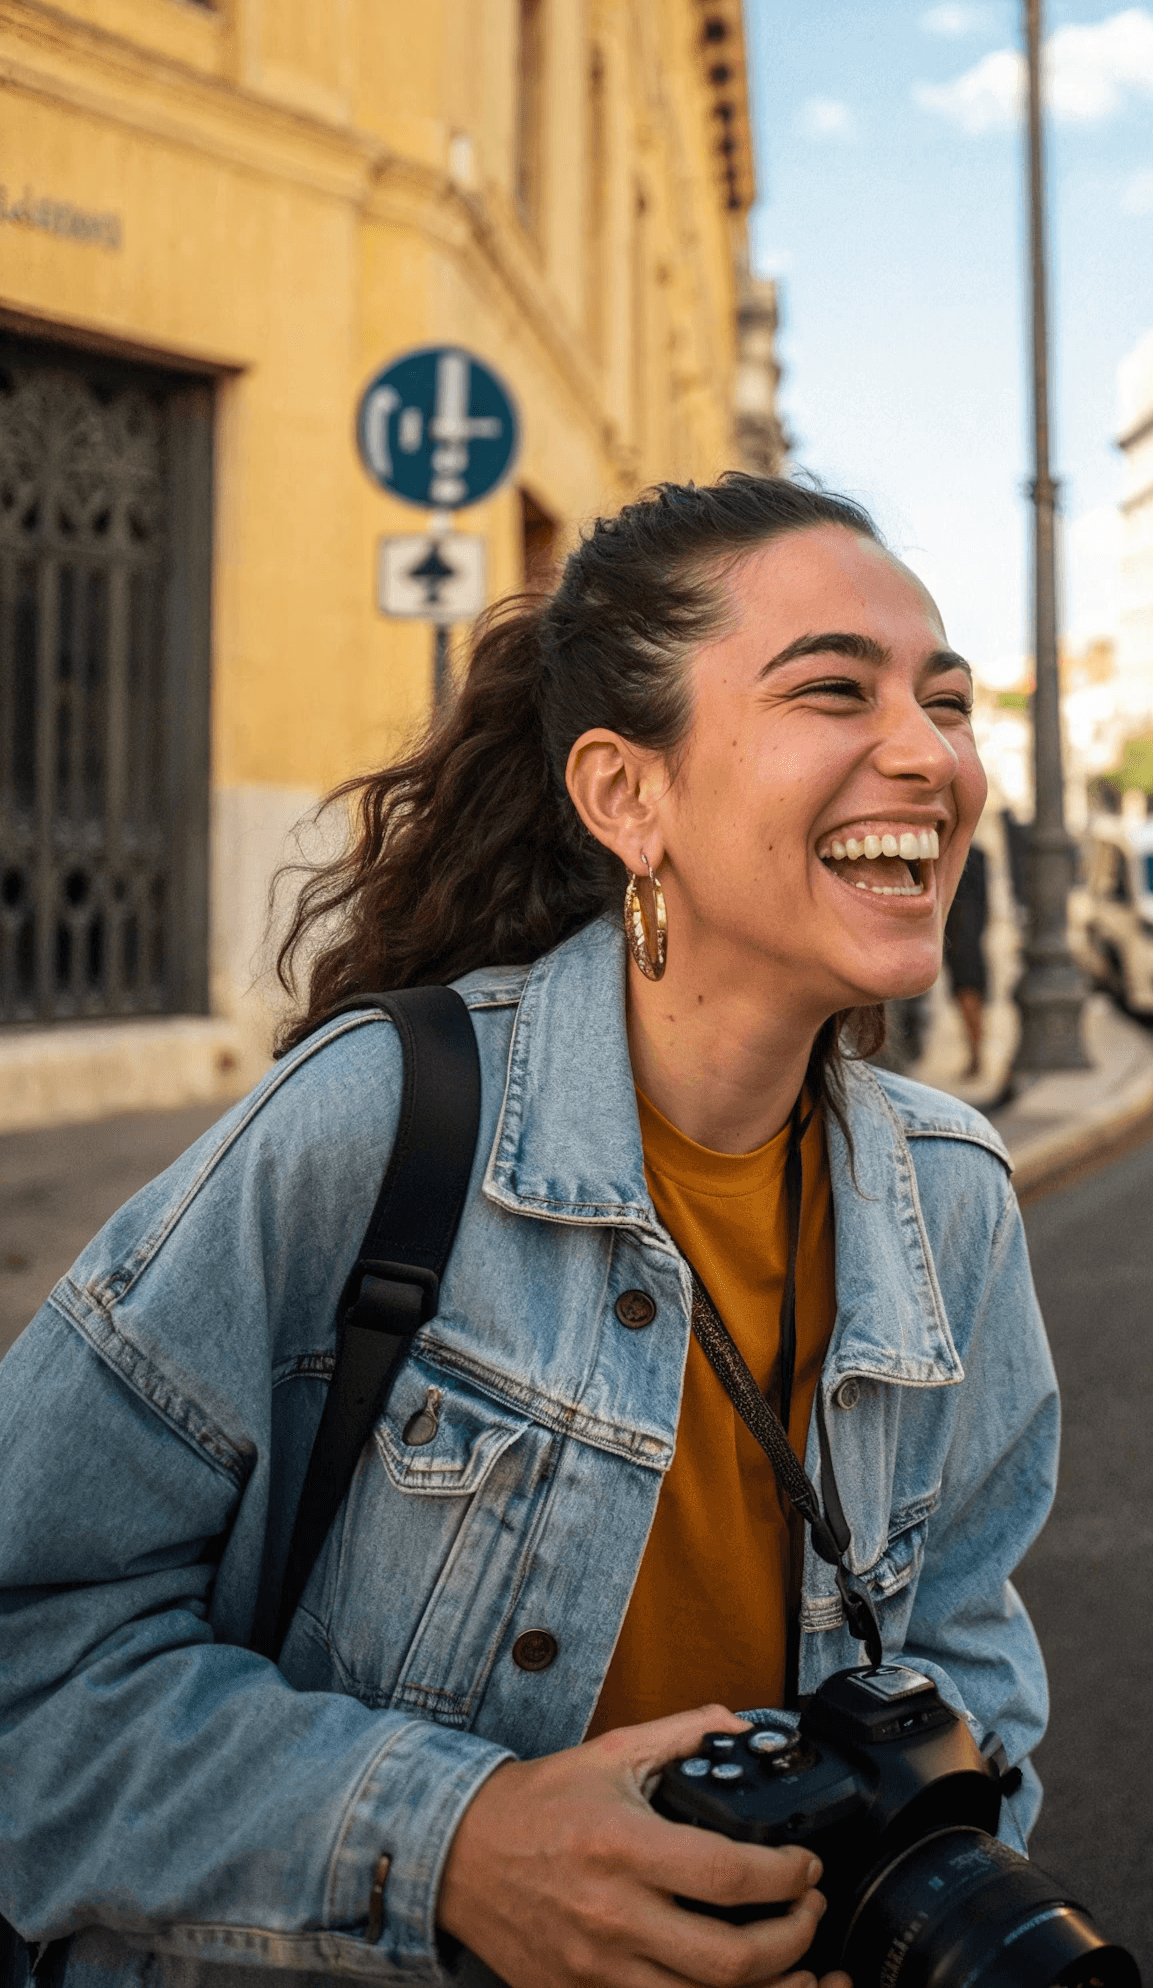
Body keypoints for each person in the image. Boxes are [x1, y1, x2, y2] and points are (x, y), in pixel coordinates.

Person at [0, 477, 1058, 1988]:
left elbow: (969, 1650)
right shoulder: (379, 1121)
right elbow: (30, 1653)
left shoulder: (952, 1195)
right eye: (835, 688)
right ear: (628, 795)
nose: (930, 754)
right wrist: (457, 1845)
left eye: (945, 703)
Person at [942, 839, 991, 1083]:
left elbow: (982, 902)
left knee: (969, 999)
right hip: (960, 940)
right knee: (966, 1000)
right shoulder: (947, 852)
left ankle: (976, 1056)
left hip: (965, 941)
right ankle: (975, 1055)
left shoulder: (975, 856)